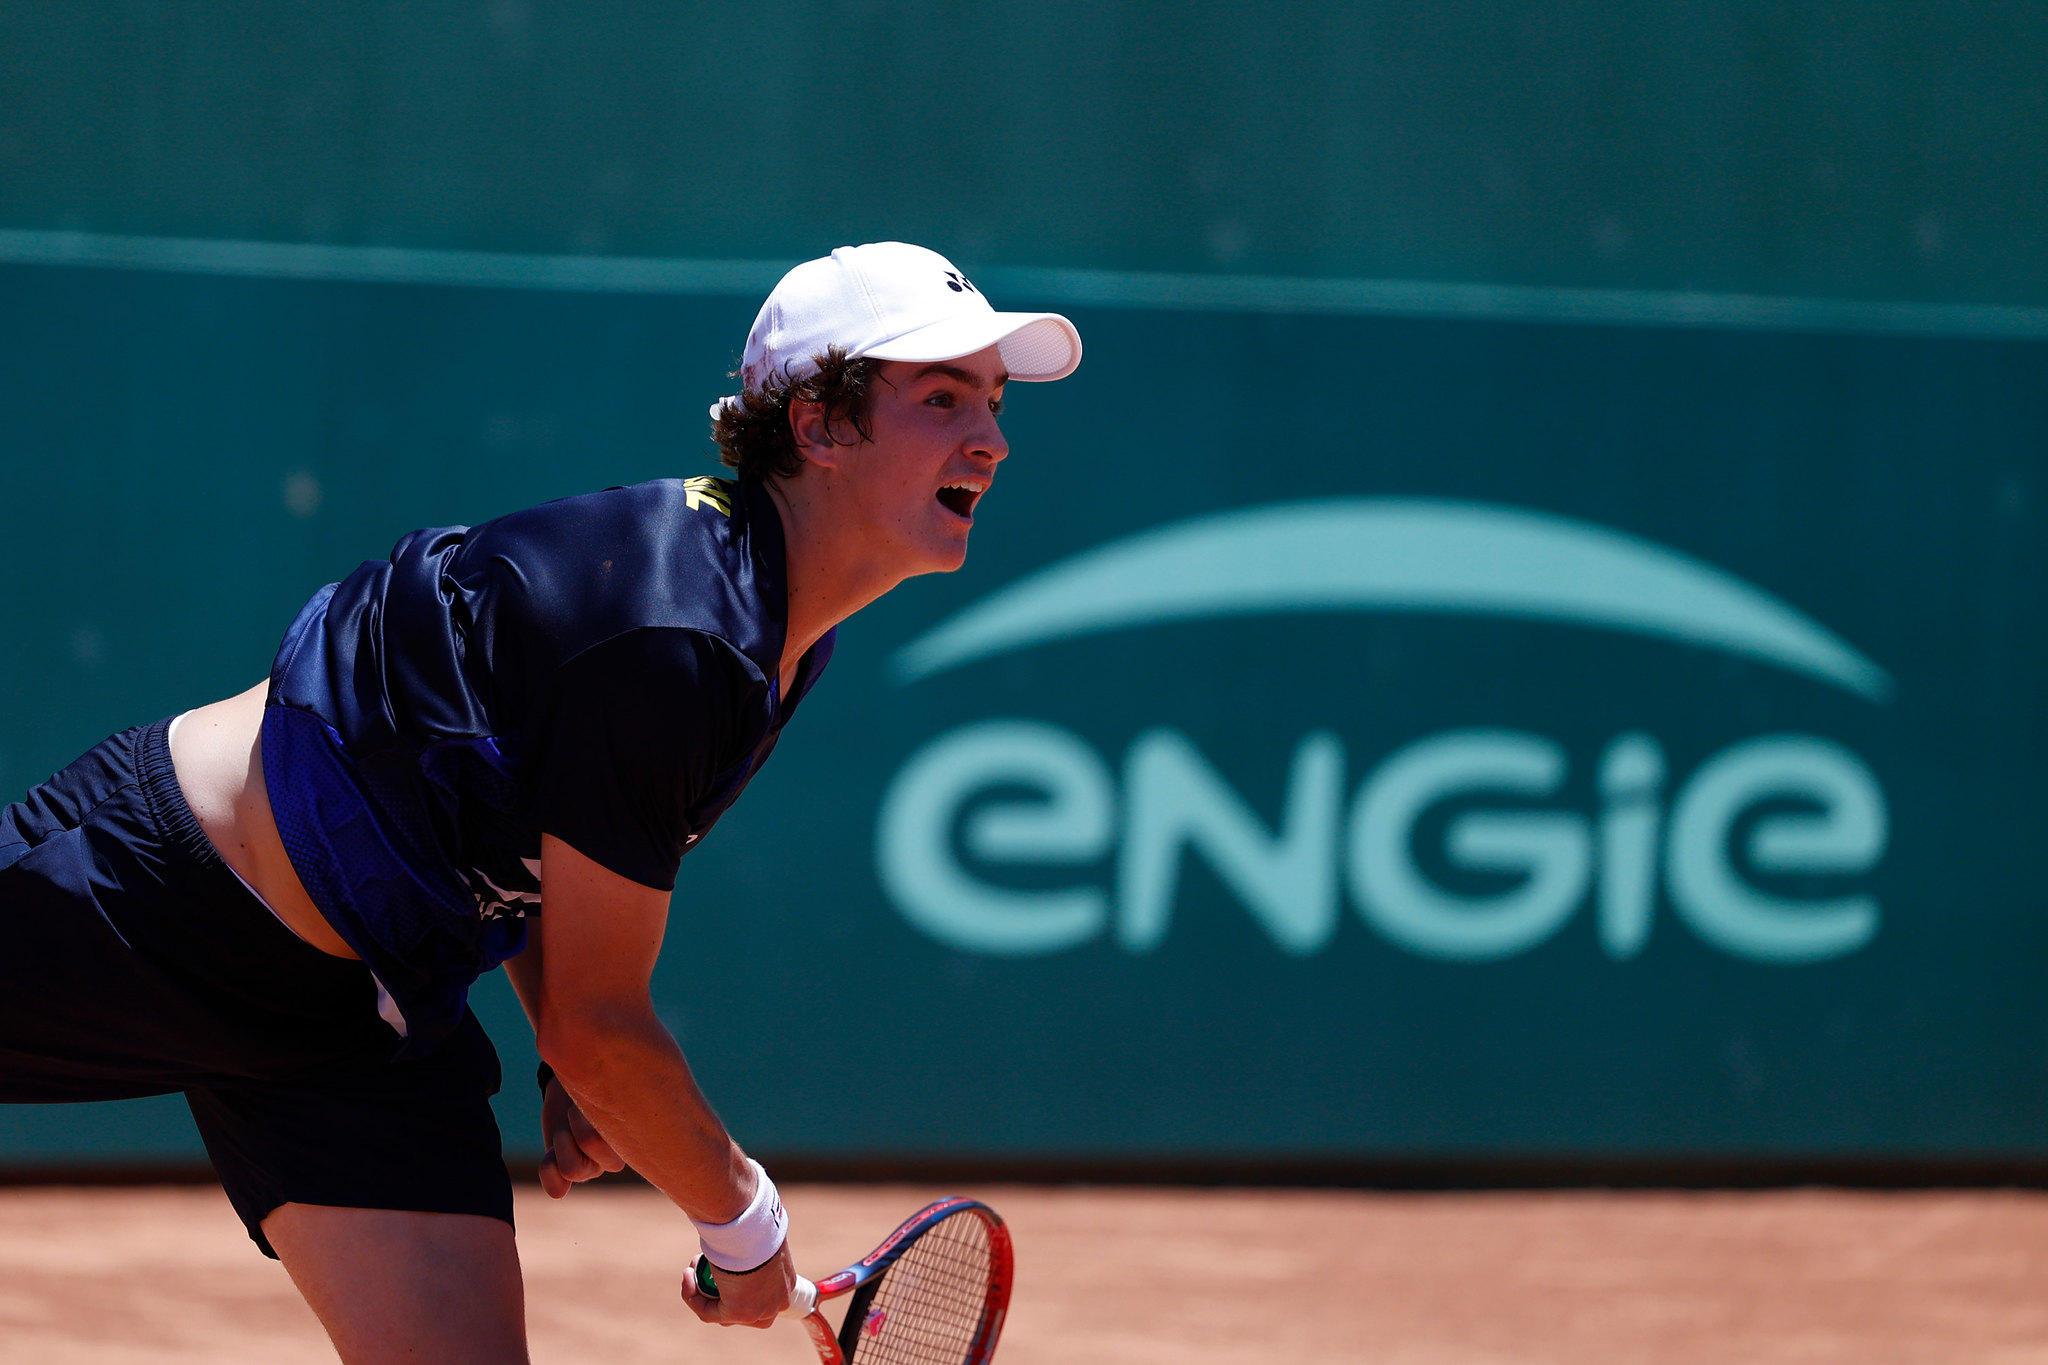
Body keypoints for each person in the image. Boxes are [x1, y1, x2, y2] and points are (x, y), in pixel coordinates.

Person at [0, 242, 1081, 1363]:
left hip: (363, 1022)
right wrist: (741, 1219)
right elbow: (604, 1024)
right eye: (941, 396)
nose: (991, 439)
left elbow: (523, 816)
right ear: (815, 425)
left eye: (995, 402)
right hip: (160, 900)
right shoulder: (682, 632)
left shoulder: (779, 634)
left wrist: (570, 1061)